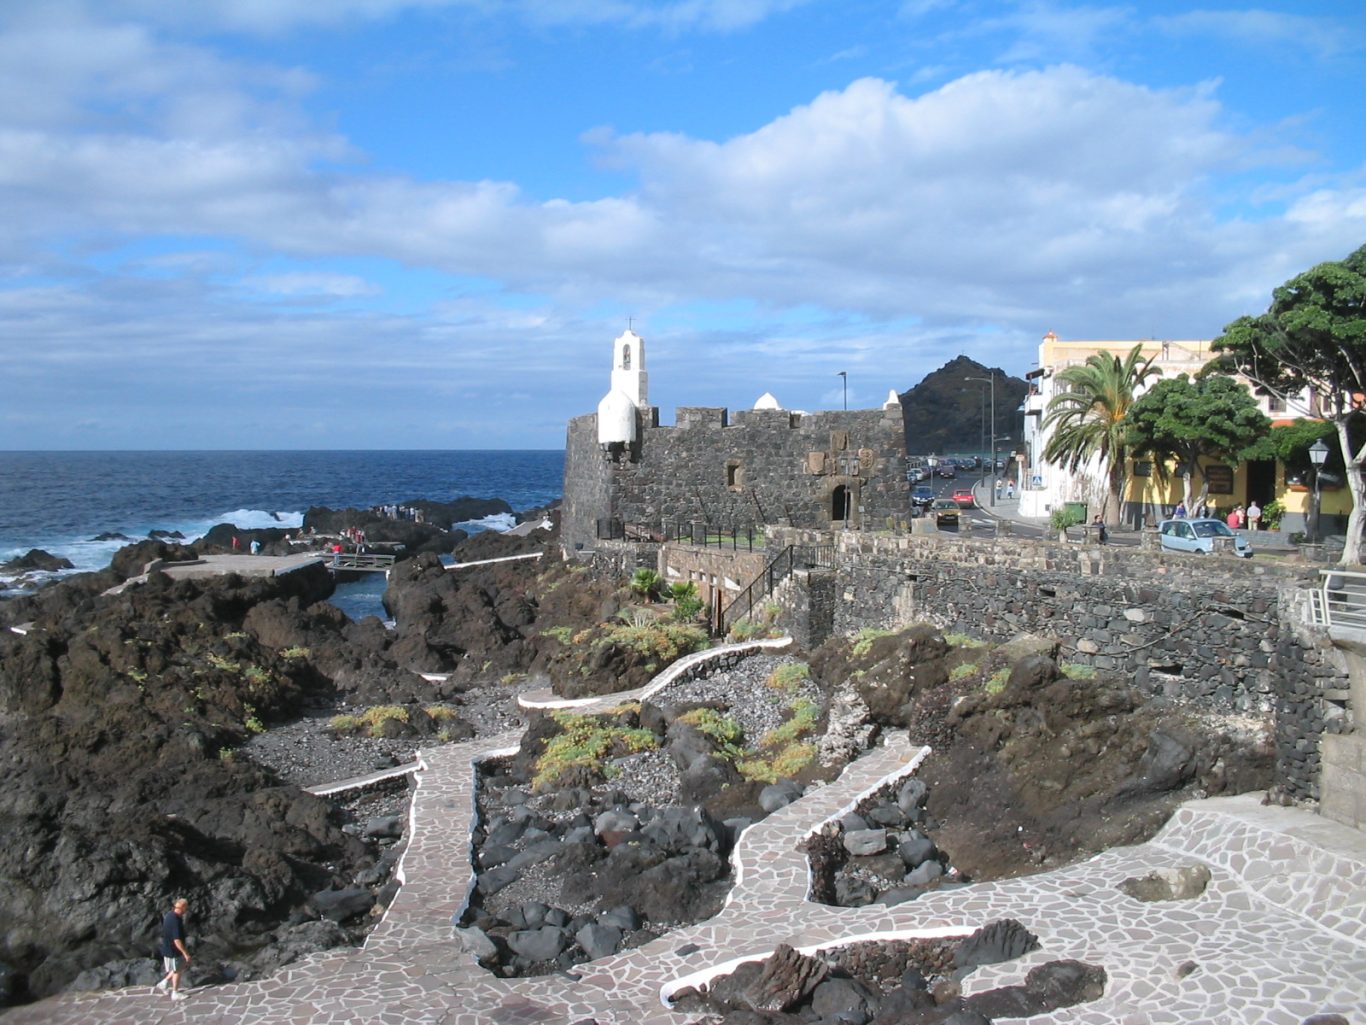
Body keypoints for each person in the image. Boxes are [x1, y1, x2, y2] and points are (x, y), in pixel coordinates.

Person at [154, 898, 191, 1001]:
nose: (186, 910)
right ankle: (175, 992)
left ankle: (164, 982)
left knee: (179, 966)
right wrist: (185, 953)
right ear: (182, 907)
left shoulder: (169, 915)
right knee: (177, 971)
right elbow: (177, 940)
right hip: (174, 951)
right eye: (186, 908)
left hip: (167, 948)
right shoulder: (175, 921)